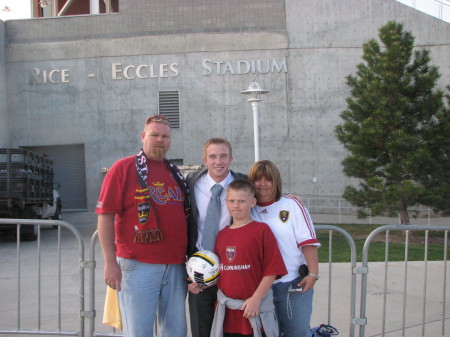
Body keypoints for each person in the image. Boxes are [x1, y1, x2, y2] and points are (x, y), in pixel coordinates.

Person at [96, 115, 191, 337]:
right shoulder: (123, 168)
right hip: (138, 266)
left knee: (176, 331)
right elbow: (105, 216)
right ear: (143, 136)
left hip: (176, 266)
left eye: (165, 136)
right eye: (155, 135)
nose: (160, 140)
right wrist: (110, 262)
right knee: (139, 332)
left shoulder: (175, 172)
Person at [248, 160, 320, 337]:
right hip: (259, 287)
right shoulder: (247, 208)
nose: (262, 184)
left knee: (297, 332)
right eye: (257, 179)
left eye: (268, 179)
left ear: (276, 182)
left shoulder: (292, 205)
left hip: (292, 284)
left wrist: (313, 274)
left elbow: (307, 242)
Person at [210, 178, 287, 337]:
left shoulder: (261, 231)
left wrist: (256, 299)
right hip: (228, 315)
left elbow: (271, 271)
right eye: (231, 201)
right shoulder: (222, 235)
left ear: (253, 202)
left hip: (254, 310)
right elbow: (218, 271)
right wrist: (202, 283)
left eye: (241, 201)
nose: (236, 205)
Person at [186, 138, 246, 337]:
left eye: (223, 156)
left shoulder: (244, 182)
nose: (218, 161)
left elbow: (268, 194)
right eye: (212, 156)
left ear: (231, 158)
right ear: (204, 159)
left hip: (232, 266)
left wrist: (288, 198)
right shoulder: (191, 182)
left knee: (232, 329)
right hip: (200, 268)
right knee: (201, 329)